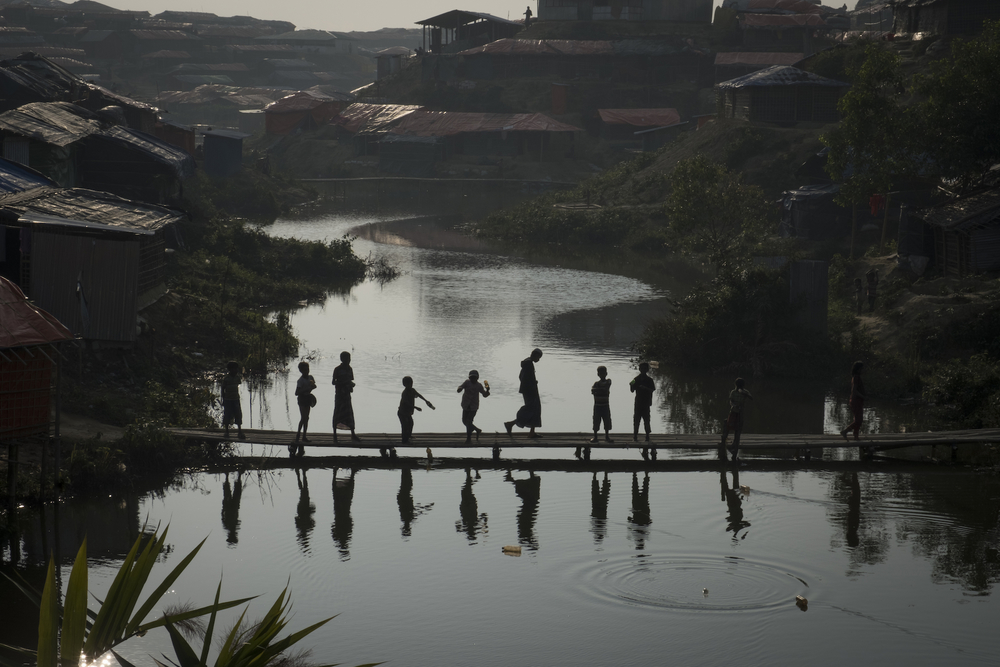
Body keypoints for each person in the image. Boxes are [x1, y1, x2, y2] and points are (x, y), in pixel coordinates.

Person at [505, 348, 543, 438]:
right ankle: (511, 423)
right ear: (535, 355)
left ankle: (532, 432)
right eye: (539, 357)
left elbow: (521, 377)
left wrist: (533, 382)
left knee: (536, 409)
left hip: (530, 389)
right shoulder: (528, 364)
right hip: (530, 391)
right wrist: (532, 384)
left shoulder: (527, 363)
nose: (539, 359)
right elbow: (525, 378)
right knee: (530, 408)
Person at [577, 365, 613, 459]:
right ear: (598, 374)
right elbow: (593, 391)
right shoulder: (596, 383)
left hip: (605, 405)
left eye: (604, 373)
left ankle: (607, 436)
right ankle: (595, 437)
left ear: (606, 374)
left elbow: (604, 388)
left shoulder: (608, 381)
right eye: (600, 373)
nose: (602, 375)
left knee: (607, 420)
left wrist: (599, 390)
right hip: (597, 406)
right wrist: (599, 390)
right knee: (596, 421)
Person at [393, 375, 434, 457]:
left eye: (411, 383)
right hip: (402, 412)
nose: (410, 385)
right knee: (405, 425)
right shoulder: (404, 393)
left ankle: (409, 436)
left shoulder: (412, 390)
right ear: (404, 384)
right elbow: (406, 403)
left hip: (408, 413)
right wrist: (416, 408)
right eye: (408, 384)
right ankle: (404, 440)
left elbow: (419, 395)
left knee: (411, 423)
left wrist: (426, 401)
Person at [720, 377, 753, 462]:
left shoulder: (745, 392)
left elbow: (751, 398)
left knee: (738, 431)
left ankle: (734, 447)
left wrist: (744, 393)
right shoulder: (733, 392)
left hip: (740, 414)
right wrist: (734, 405)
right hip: (733, 412)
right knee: (728, 426)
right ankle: (726, 444)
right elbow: (731, 401)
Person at [332, 351, 360, 443]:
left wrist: (350, 385)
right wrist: (343, 383)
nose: (348, 361)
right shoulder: (337, 369)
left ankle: (353, 434)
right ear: (342, 359)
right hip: (339, 395)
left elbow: (350, 380)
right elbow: (333, 382)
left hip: (347, 395)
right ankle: (335, 436)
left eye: (349, 359)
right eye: (346, 359)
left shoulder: (349, 369)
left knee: (349, 414)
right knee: (337, 414)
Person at [630, 362, 656, 459]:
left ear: (647, 370)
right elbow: (631, 389)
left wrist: (645, 388)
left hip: (646, 402)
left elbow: (652, 389)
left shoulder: (649, 380)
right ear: (639, 369)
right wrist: (631, 385)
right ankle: (635, 436)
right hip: (638, 402)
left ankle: (647, 436)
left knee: (646, 419)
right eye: (642, 368)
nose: (643, 370)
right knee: (636, 419)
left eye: (645, 368)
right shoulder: (636, 379)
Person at [457, 370, 490, 444]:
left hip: (473, 406)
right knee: (464, 421)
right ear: (469, 377)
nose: (473, 379)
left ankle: (469, 438)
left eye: (474, 378)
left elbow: (484, 395)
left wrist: (487, 391)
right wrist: (459, 389)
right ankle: (476, 430)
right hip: (466, 405)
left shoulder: (479, 386)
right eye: (471, 377)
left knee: (469, 422)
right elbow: (461, 386)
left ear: (477, 378)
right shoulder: (467, 382)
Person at [292, 360, 316, 455]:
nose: (307, 371)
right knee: (303, 417)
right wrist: (306, 389)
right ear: (301, 371)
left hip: (308, 398)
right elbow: (297, 393)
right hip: (302, 399)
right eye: (305, 369)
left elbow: (313, 385)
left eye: (308, 369)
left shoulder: (310, 377)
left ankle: (304, 435)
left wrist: (312, 386)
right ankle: (299, 434)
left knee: (307, 418)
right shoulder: (300, 381)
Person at [840, 361, 866, 441]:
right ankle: (845, 431)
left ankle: (855, 436)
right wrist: (863, 396)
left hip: (857, 400)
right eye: (862, 369)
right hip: (855, 401)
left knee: (859, 419)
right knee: (859, 420)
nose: (863, 371)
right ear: (858, 369)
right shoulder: (856, 378)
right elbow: (854, 390)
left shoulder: (856, 377)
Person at [221, 361, 244, 439]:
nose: (236, 370)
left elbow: (238, 385)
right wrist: (223, 399)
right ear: (230, 370)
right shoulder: (226, 379)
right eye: (234, 369)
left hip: (236, 399)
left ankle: (240, 432)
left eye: (236, 369)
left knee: (238, 414)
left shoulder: (237, 378)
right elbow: (222, 389)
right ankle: (226, 432)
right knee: (227, 415)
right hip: (228, 399)